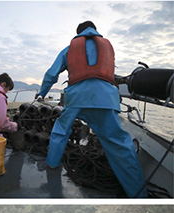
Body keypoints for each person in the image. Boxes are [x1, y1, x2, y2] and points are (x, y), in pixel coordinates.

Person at [37, 21, 147, 198]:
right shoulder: (107, 47)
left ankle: (52, 164)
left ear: (78, 34)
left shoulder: (70, 48)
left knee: (60, 130)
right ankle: (138, 194)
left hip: (76, 99)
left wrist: (42, 93)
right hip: (106, 99)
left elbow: (51, 74)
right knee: (118, 144)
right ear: (95, 31)